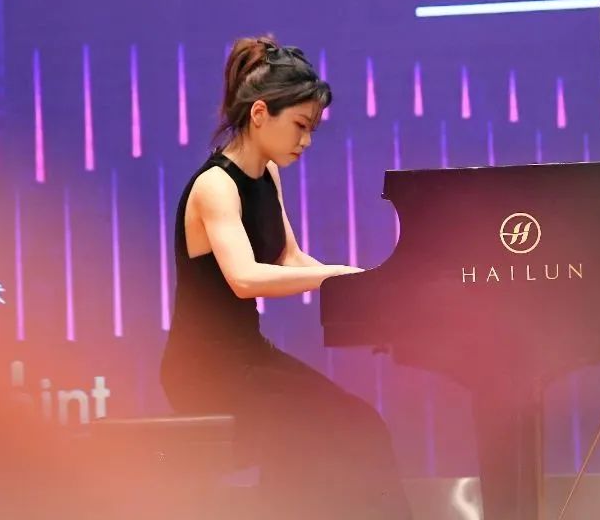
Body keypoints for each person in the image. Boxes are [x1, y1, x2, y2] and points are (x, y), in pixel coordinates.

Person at [160, 34, 412, 519]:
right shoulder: (215, 186)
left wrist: (361, 281)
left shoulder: (267, 174)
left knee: (363, 426)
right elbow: (244, 278)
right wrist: (335, 275)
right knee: (303, 438)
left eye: (311, 129)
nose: (306, 141)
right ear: (260, 113)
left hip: (249, 358)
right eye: (300, 125)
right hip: (204, 369)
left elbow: (289, 259)